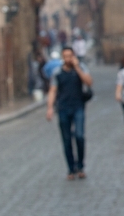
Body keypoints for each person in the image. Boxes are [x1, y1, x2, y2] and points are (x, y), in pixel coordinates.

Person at [46, 47, 93, 180]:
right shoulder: (57, 72)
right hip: (63, 108)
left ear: (73, 56)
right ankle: (71, 168)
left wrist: (77, 68)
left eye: (70, 56)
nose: (68, 59)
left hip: (78, 107)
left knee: (79, 136)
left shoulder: (81, 68)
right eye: (65, 56)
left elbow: (89, 82)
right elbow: (53, 90)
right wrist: (50, 108)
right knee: (66, 139)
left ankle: (80, 165)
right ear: (62, 57)